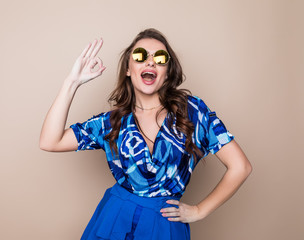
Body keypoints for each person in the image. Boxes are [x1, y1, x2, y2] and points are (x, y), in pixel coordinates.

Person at [39, 28, 252, 240]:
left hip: (164, 225)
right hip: (114, 220)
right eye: (140, 56)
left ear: (167, 72)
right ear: (128, 69)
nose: (151, 62)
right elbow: (50, 141)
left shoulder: (192, 112)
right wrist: (71, 83)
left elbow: (241, 167)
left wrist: (199, 211)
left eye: (160, 58)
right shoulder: (111, 122)